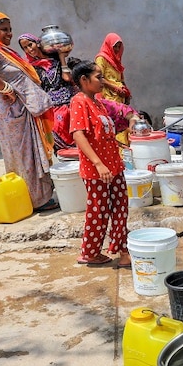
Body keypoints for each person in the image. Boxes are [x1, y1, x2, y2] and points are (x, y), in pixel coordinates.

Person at [0, 10, 58, 211]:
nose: (9, 34)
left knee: (29, 154)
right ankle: (35, 200)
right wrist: (4, 87)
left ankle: (35, 197)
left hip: (20, 110)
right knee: (24, 155)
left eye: (10, 29)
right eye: (3, 30)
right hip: (13, 111)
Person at [67, 59, 131, 267]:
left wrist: (119, 147)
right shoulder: (79, 101)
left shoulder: (98, 102)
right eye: (98, 77)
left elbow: (101, 133)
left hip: (114, 166)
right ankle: (91, 253)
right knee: (99, 211)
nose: (102, 81)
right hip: (97, 170)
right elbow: (78, 135)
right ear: (84, 80)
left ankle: (122, 250)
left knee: (120, 208)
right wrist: (98, 163)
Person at [18, 33, 75, 150]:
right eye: (25, 48)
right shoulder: (31, 68)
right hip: (50, 109)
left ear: (38, 43)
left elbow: (67, 78)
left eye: (30, 44)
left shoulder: (56, 60)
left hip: (70, 104)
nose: (29, 49)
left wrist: (61, 58)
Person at [95, 33, 131, 105]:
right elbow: (99, 78)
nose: (117, 49)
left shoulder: (116, 60)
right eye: (115, 46)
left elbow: (120, 80)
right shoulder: (101, 59)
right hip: (107, 96)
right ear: (108, 45)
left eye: (119, 47)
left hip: (119, 97)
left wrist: (127, 94)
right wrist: (116, 89)